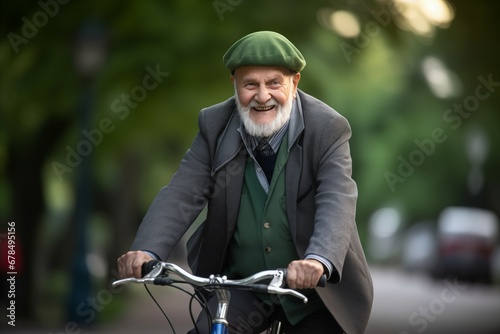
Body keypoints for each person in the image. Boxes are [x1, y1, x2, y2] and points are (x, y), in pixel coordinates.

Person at [117, 31, 373, 334]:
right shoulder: (215, 125)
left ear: (295, 83)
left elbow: (337, 199)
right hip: (243, 286)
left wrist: (318, 261)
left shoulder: (327, 127)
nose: (262, 96)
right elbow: (182, 192)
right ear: (235, 85)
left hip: (315, 294)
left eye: (274, 83)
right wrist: (147, 250)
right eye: (250, 84)